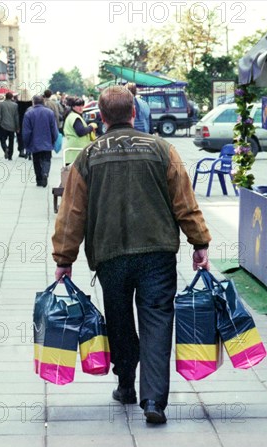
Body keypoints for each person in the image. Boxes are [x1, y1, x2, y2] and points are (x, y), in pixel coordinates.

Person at [52, 85, 212, 425]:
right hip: (157, 254)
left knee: (120, 320)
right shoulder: (162, 150)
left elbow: (72, 214)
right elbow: (185, 203)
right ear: (134, 113)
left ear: (103, 118)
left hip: (111, 255)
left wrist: (64, 259)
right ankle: (153, 399)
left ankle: (126, 384)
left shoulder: (89, 155)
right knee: (157, 321)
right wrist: (200, 243)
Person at [22, 94, 58, 187]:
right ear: (43, 102)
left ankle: (39, 179)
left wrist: (26, 143)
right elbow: (54, 128)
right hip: (47, 141)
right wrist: (54, 139)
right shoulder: (49, 112)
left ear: (33, 102)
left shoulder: (28, 113)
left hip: (34, 142)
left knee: (36, 161)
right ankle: (45, 173)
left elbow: (26, 131)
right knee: (46, 159)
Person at [0, 92, 19, 160]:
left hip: (3, 125)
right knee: (11, 141)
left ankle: (5, 148)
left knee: (2, 139)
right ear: (11, 97)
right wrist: (17, 127)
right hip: (12, 126)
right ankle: (10, 155)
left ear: (5, 97)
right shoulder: (15, 105)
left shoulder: (0, 104)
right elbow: (16, 116)